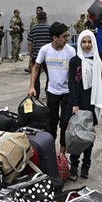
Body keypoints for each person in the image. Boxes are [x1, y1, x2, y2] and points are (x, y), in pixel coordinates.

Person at [28, 22, 75, 153]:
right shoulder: (45, 50)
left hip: (67, 92)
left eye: (67, 36)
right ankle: (50, 152)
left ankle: (62, 153)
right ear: (55, 38)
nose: (67, 39)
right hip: (52, 91)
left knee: (65, 123)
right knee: (51, 123)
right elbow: (35, 67)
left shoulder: (71, 51)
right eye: (64, 36)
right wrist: (32, 86)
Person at [67, 30, 102, 181]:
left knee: (88, 136)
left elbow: (100, 85)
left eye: (89, 42)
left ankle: (86, 166)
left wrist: (100, 104)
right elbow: (72, 83)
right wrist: (75, 103)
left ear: (93, 43)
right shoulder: (75, 61)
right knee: (77, 135)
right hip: (78, 103)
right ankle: (74, 165)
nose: (87, 45)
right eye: (83, 42)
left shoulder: (97, 60)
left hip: (91, 102)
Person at [25, 11, 52, 95]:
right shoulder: (49, 28)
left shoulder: (34, 28)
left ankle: (36, 93)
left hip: (36, 55)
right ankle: (48, 91)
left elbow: (30, 43)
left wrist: (30, 54)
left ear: (38, 19)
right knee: (50, 75)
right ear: (46, 18)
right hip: (48, 56)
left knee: (36, 75)